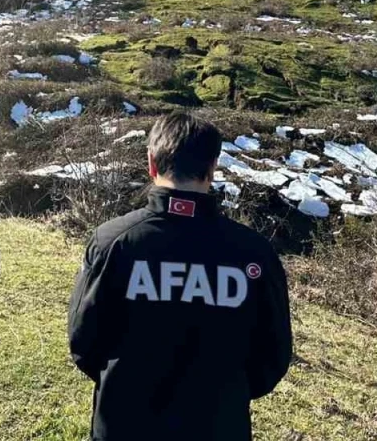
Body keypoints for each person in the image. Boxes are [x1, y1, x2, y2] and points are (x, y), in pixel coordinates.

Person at [67, 111, 292, 440]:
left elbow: (84, 342)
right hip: (218, 427)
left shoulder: (111, 242)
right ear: (212, 167)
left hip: (124, 424)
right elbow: (272, 356)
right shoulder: (254, 254)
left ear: (151, 163)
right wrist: (223, 396)